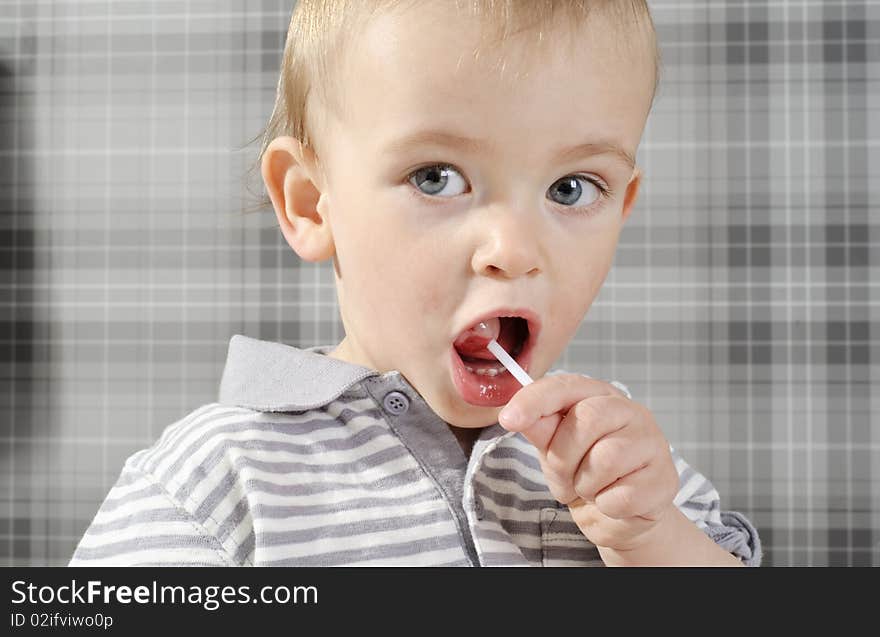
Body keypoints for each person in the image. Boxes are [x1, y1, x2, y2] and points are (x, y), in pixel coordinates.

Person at [69, 0, 761, 566]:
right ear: (312, 203)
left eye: (572, 188)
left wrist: (650, 540)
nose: (513, 251)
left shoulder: (624, 470)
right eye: (437, 177)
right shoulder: (219, 481)